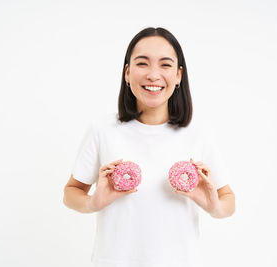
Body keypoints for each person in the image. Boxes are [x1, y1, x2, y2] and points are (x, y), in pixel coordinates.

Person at [63, 27, 235, 267]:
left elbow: (228, 201)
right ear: (127, 72)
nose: (153, 75)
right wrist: (93, 203)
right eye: (142, 63)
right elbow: (71, 193)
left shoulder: (198, 133)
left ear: (178, 75)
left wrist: (212, 205)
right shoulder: (103, 129)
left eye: (165, 65)